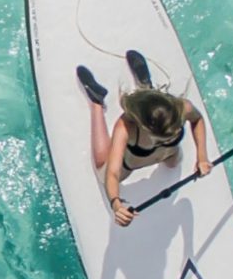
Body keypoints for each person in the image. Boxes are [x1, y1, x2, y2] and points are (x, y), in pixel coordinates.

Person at [76, 50, 211, 227]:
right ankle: (96, 103)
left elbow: (198, 119)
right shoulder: (125, 126)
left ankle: (146, 87)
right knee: (103, 167)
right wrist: (116, 204)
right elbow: (113, 173)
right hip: (131, 163)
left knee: (174, 163)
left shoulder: (183, 108)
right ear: (143, 126)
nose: (170, 135)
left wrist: (202, 157)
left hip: (169, 154)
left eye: (174, 131)